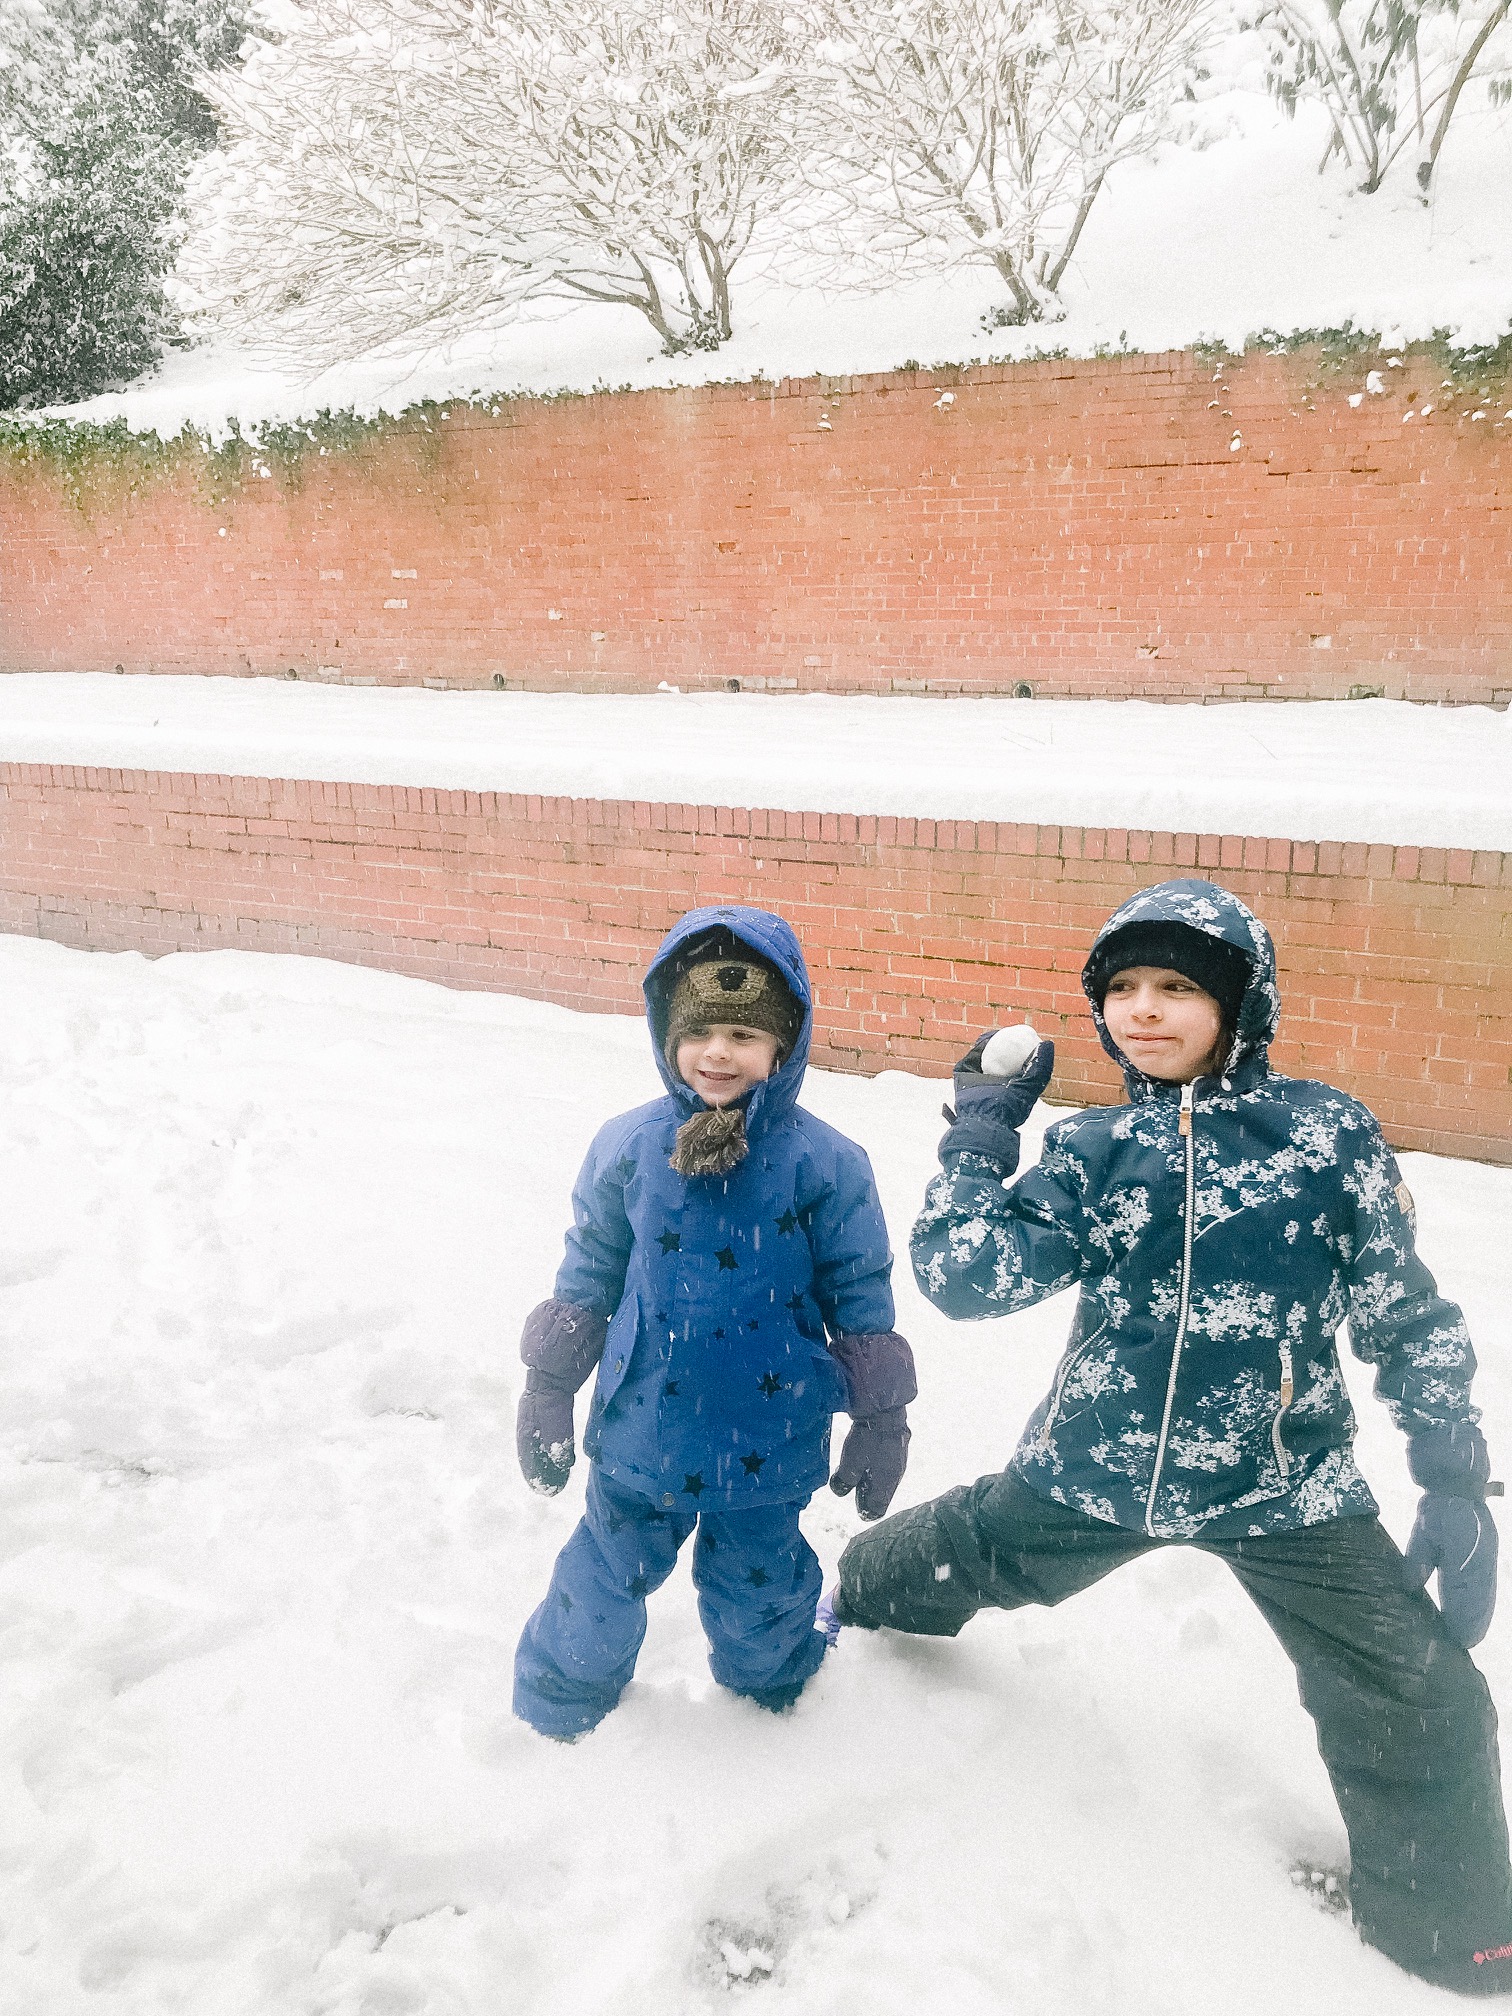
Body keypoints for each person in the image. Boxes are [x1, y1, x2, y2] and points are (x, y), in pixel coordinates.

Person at [827, 877, 1512, 1996]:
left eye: (1178, 986)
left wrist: (1450, 1474)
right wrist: (979, 1143)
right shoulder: (1097, 1148)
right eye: (1124, 988)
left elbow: (1405, 1310)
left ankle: (1455, 1947)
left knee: (1426, 1700)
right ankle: (844, 1599)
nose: (1143, 1010)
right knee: (959, 1556)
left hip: (1283, 1484)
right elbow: (966, 1279)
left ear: (1241, 1003)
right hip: (1094, 1466)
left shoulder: (1326, 1138)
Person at [513, 903, 916, 1739]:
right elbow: (589, 1268)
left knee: (760, 1581)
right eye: (699, 1031)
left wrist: (882, 1413)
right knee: (603, 1570)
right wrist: (550, 1381)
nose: (719, 1053)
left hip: (768, 1434)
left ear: (786, 1041)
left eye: (744, 1032)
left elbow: (860, 1290)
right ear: (667, 1035)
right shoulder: (628, 1146)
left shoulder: (827, 1163)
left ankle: (775, 1694)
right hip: (642, 1426)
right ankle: (561, 1698)